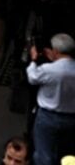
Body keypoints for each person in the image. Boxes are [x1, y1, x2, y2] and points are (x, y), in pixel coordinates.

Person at [26, 33, 75, 165]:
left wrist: (33, 60)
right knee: (65, 154)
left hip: (47, 117)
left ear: (56, 51)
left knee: (44, 155)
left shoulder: (49, 70)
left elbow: (32, 77)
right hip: (70, 118)